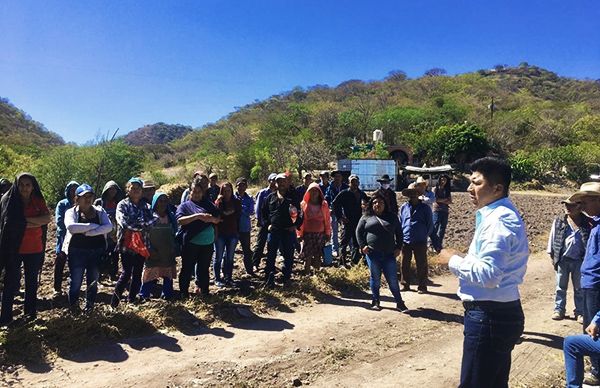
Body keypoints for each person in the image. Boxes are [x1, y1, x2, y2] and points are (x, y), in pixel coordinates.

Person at [437, 157, 528, 388]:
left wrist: (453, 260)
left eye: (476, 183)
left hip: (489, 316)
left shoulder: (497, 220)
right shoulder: (500, 214)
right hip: (498, 313)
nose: (469, 188)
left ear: (497, 188)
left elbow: (489, 275)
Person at [0, 173, 51, 325]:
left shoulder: (38, 200)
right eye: (21, 184)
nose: (24, 188)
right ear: (16, 185)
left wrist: (22, 222)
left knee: (31, 283)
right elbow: (8, 224)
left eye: (28, 185)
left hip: (34, 249)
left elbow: (46, 219)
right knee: (10, 284)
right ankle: (6, 318)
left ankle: (30, 315)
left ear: (33, 186)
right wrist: (35, 222)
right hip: (13, 249)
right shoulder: (8, 201)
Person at [63, 184, 112, 313]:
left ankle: (89, 308)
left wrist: (89, 232)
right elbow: (71, 227)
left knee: (93, 282)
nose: (87, 199)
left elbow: (108, 227)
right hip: (76, 252)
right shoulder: (71, 212)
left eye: (90, 196)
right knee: (75, 283)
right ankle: (74, 309)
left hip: (97, 252)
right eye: (84, 196)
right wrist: (93, 226)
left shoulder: (100, 211)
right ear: (77, 199)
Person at [356, 192, 408, 312]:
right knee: (375, 278)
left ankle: (400, 302)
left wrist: (399, 248)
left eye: (380, 202)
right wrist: (362, 246)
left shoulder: (392, 217)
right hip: (373, 254)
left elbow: (399, 234)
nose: (377, 204)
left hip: (389, 254)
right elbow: (358, 232)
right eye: (374, 202)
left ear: (385, 204)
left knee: (393, 279)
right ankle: (375, 301)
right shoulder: (366, 217)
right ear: (371, 205)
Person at [111, 178, 157, 307]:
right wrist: (143, 225)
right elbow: (123, 222)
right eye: (133, 187)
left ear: (142, 191)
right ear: (128, 190)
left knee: (137, 273)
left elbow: (154, 220)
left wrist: (137, 224)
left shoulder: (146, 206)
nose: (136, 190)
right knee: (126, 273)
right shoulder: (122, 205)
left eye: (138, 188)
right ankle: (114, 303)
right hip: (127, 245)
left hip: (142, 245)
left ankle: (132, 300)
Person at [571, 181, 600, 385]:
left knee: (594, 328)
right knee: (588, 326)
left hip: (596, 285)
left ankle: (597, 370)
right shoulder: (595, 223)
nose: (583, 206)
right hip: (589, 283)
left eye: (587, 201)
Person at [176, 177, 221, 297]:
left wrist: (211, 219)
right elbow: (180, 221)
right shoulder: (185, 206)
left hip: (207, 243)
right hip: (191, 243)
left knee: (204, 269)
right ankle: (183, 293)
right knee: (187, 268)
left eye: (199, 192)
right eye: (194, 191)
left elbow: (217, 219)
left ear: (202, 193)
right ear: (189, 192)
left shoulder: (208, 205)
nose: (196, 194)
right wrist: (197, 216)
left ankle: (205, 292)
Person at [547, 196, 590, 322]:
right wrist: (552, 255)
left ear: (580, 207)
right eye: (566, 205)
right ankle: (559, 310)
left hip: (580, 260)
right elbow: (553, 237)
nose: (567, 208)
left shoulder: (586, 222)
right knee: (560, 286)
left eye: (571, 205)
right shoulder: (560, 220)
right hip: (563, 259)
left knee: (579, 288)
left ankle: (580, 312)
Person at [262, 173, 302, 287]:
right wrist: (267, 225)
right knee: (271, 254)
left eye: (284, 181)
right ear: (276, 183)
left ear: (287, 183)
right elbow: (263, 213)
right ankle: (269, 278)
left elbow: (300, 213)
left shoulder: (293, 198)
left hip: (288, 231)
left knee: (288, 255)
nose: (282, 184)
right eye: (279, 181)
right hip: (274, 231)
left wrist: (295, 226)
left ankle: (286, 277)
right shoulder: (270, 198)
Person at [139, 192, 178, 300]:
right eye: (160, 201)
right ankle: (144, 295)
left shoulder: (170, 217)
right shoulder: (150, 217)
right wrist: (149, 250)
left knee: (168, 274)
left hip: (167, 251)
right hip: (153, 252)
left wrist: (173, 247)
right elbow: (145, 235)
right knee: (150, 274)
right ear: (155, 202)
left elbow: (174, 233)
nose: (163, 203)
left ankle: (167, 295)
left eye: (165, 201)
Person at [399, 183, 433, 293]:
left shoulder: (425, 208)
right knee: (404, 263)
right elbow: (400, 222)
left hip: (420, 240)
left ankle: (422, 286)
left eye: (415, 193)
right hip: (405, 239)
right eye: (410, 193)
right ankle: (405, 284)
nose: (413, 195)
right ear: (408, 195)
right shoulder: (403, 207)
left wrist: (424, 235)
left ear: (418, 194)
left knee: (421, 264)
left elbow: (430, 225)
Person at [332, 174, 369, 267]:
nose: (355, 184)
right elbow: (335, 204)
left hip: (358, 222)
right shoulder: (344, 193)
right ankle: (342, 262)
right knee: (344, 243)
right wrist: (340, 217)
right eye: (352, 182)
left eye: (356, 182)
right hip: (347, 221)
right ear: (349, 183)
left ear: (359, 183)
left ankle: (355, 262)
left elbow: (368, 203)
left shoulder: (361, 193)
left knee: (357, 243)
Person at [297, 183, 331, 273]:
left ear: (319, 192)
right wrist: (299, 234)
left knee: (317, 255)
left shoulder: (324, 204)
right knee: (307, 256)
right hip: (307, 234)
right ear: (308, 192)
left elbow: (327, 220)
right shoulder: (303, 204)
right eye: (312, 191)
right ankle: (307, 275)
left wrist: (328, 233)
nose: (314, 192)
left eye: (316, 190)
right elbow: (300, 221)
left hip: (320, 234)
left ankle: (317, 275)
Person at [53, 180, 79, 296]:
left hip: (77, 238)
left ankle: (72, 287)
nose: (73, 192)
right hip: (63, 237)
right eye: (72, 190)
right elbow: (59, 220)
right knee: (60, 261)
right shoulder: (62, 204)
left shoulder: (81, 204)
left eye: (76, 190)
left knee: (74, 263)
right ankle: (57, 288)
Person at [94, 180, 124, 279]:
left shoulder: (119, 203)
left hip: (115, 233)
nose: (112, 191)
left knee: (115, 254)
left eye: (114, 189)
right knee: (101, 253)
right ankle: (99, 274)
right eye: (110, 189)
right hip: (102, 232)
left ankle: (113, 273)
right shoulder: (99, 202)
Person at [214, 182, 242, 287]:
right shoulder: (219, 202)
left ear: (232, 191)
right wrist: (218, 203)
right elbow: (217, 215)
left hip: (233, 232)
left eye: (229, 190)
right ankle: (217, 278)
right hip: (220, 233)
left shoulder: (236, 202)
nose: (227, 193)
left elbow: (237, 214)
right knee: (218, 257)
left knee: (230, 257)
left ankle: (228, 278)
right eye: (225, 191)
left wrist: (226, 214)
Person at [251, 173, 277, 271]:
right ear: (269, 181)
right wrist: (260, 220)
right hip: (264, 222)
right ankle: (255, 263)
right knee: (260, 244)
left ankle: (270, 265)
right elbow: (257, 208)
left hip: (274, 223)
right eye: (272, 180)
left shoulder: (279, 193)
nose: (274, 182)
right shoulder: (263, 193)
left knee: (272, 244)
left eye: (275, 180)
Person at [234, 178, 255, 276]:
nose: (241, 187)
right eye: (239, 185)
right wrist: (243, 208)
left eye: (243, 185)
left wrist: (239, 208)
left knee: (246, 250)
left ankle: (249, 270)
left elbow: (251, 212)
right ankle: (226, 272)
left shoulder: (249, 198)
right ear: (236, 186)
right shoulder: (232, 197)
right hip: (232, 228)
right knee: (229, 251)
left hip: (245, 228)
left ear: (246, 186)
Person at [325, 170, 348, 257]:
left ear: (342, 178)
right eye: (336, 176)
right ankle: (335, 249)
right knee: (334, 231)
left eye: (339, 176)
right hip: (333, 212)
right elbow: (326, 199)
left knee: (346, 230)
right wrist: (329, 208)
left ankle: (346, 248)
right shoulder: (330, 187)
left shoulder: (345, 187)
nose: (337, 178)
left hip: (344, 212)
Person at [432, 174, 452, 253]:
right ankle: (433, 244)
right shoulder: (435, 189)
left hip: (445, 210)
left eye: (445, 180)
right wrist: (444, 200)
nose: (443, 181)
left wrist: (441, 200)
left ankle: (439, 245)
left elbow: (450, 201)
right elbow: (435, 199)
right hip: (437, 210)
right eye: (442, 179)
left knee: (442, 229)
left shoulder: (447, 190)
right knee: (435, 227)